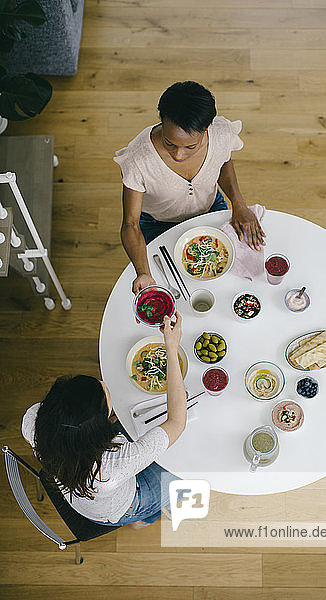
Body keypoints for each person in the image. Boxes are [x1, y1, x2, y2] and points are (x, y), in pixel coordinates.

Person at [21, 314, 185, 529]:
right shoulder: (113, 463)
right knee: (186, 476)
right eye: (104, 393)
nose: (102, 382)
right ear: (98, 425)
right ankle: (143, 519)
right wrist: (171, 349)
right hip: (120, 506)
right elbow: (177, 422)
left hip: (82, 491)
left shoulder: (34, 418)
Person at [114, 80, 266, 294]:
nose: (179, 155)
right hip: (158, 223)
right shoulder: (138, 159)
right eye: (169, 143)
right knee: (175, 284)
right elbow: (130, 224)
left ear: (207, 129)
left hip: (210, 207)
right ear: (161, 120)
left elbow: (223, 162)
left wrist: (238, 203)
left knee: (231, 280)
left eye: (190, 146)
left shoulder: (221, 134)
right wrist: (143, 272)